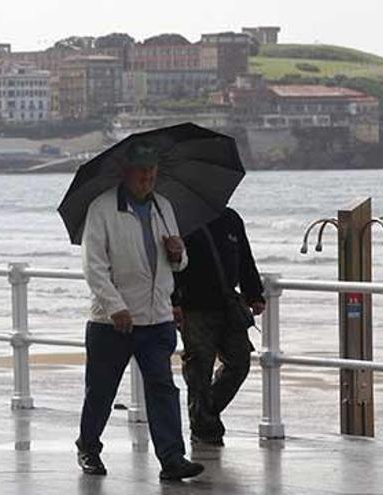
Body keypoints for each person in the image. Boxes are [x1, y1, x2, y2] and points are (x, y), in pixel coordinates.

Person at [75, 140, 204, 481]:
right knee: (101, 389)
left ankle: (172, 458)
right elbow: (94, 267)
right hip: (111, 323)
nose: (147, 178)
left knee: (162, 388)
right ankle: (88, 446)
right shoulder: (102, 209)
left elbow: (178, 263)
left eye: (152, 172)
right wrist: (115, 307)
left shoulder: (164, 206)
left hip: (157, 318)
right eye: (141, 172)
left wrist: (178, 253)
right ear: (125, 172)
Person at [173, 208, 265, 446]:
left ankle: (204, 415)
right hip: (193, 307)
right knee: (198, 369)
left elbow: (245, 258)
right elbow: (169, 267)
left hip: (228, 304)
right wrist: (173, 302)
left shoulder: (231, 218)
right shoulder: (180, 221)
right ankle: (205, 428)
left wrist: (254, 293)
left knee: (240, 362)